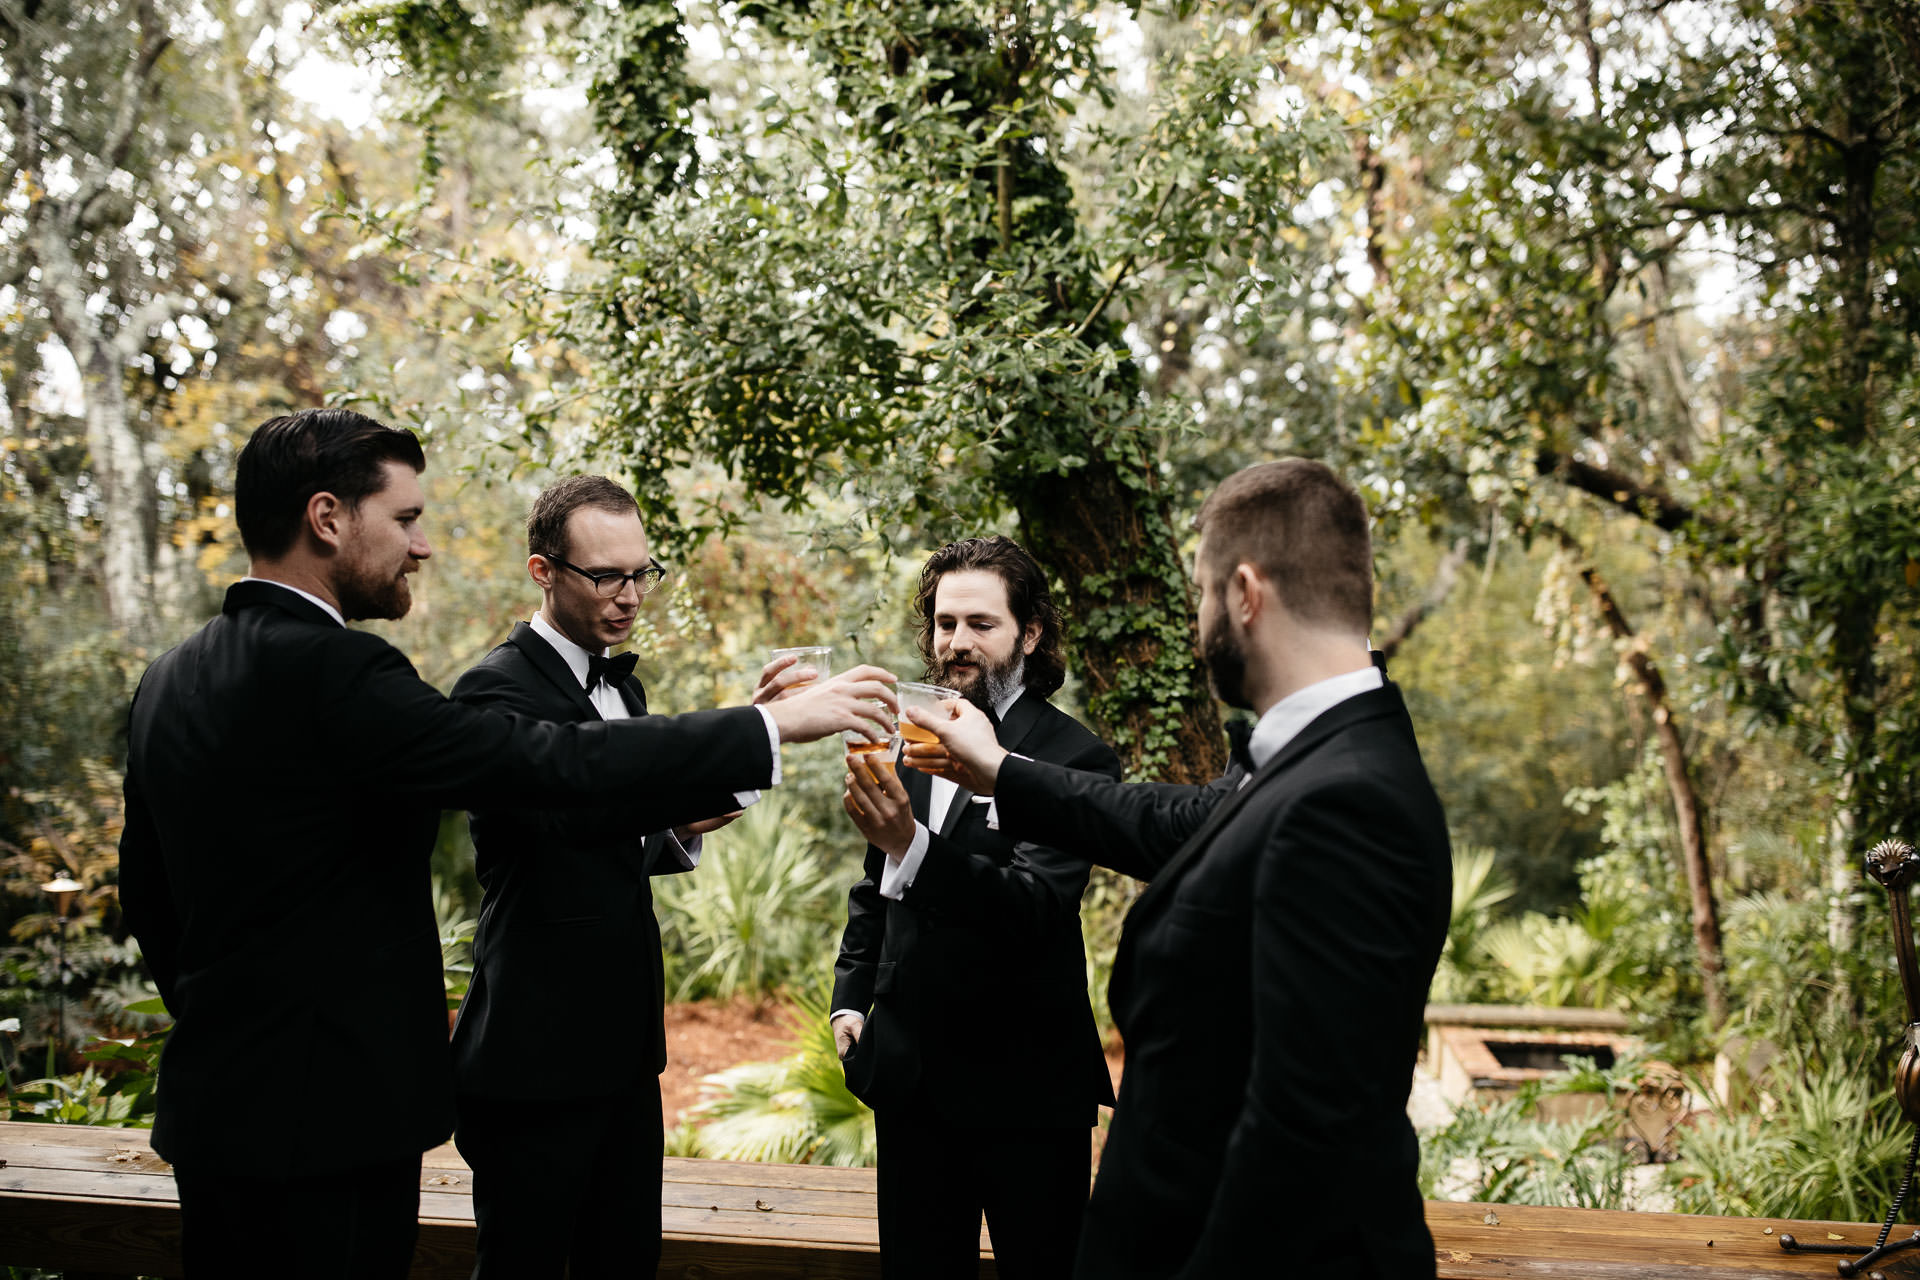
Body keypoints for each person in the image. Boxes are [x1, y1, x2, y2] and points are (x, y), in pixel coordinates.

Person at [116, 408, 894, 1280]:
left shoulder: (168, 677)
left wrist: (231, 1026)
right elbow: (540, 763)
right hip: (337, 1119)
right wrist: (769, 726)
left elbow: (145, 895)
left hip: (217, 1112)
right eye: (406, 519)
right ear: (327, 518)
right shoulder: (344, 673)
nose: (423, 546)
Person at [902, 460, 1452, 1280]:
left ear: (1244, 594)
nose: (1199, 622)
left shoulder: (1351, 801)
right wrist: (1001, 771)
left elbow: (1302, 1138)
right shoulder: (1307, 759)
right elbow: (1172, 819)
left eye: (1200, 595)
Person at [448, 475, 794, 1279]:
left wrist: (720, 778)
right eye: (606, 576)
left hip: (625, 1054)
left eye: (642, 573)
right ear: (543, 572)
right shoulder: (494, 690)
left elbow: (618, 829)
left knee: (626, 1263)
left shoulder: (622, 685)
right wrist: (754, 732)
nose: (631, 595)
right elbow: (570, 812)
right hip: (533, 1061)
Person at [831, 536, 1122, 1280]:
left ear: (1029, 634)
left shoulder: (1075, 762)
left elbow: (1034, 907)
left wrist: (914, 846)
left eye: (981, 624)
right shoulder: (908, 742)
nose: (957, 643)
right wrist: (849, 999)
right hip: (911, 1080)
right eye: (944, 622)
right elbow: (876, 882)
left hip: (1025, 1089)